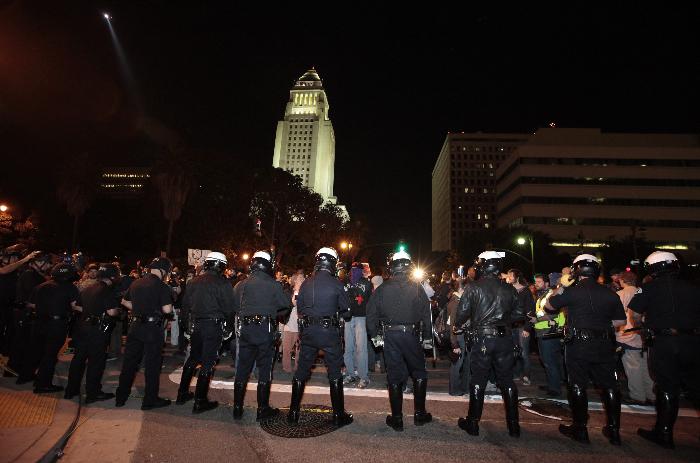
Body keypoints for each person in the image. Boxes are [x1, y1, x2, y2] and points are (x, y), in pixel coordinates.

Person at [546, 254, 626, 445]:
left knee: (578, 385)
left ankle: (580, 429)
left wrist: (561, 287)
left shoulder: (571, 292)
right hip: (604, 344)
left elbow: (549, 306)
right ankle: (614, 431)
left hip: (579, 344)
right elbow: (620, 321)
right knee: (609, 386)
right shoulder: (610, 293)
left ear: (576, 271)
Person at [629, 251, 700, 449]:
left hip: (664, 342)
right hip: (692, 341)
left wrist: (645, 321)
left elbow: (634, 314)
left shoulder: (648, 288)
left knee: (667, 387)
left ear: (652, 268)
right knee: (696, 387)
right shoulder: (693, 288)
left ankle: (664, 432)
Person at [456, 251, 525, 438]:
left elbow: (461, 314)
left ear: (482, 266)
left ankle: (473, 423)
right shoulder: (509, 288)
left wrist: (459, 325)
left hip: (482, 338)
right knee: (507, 381)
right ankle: (514, 426)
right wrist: (503, 321)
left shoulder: (473, 287)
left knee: (478, 379)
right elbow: (520, 314)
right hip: (504, 339)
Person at [287, 247, 353, 427]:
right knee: (334, 373)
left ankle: (293, 413)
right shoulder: (336, 283)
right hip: (329, 332)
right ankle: (338, 415)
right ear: (332, 262)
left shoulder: (306, 283)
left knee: (301, 371)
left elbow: (300, 309)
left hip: (308, 332)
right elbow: (347, 313)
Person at [366, 250, 432, 431]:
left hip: (390, 336)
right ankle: (419, 415)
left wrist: (375, 336)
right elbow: (427, 315)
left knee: (394, 375)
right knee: (419, 372)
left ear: (392, 267)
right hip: (411, 335)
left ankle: (397, 419)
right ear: (409, 266)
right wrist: (427, 337)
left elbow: (371, 315)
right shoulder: (417, 288)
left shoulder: (382, 289)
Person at [232, 251, 290, 421]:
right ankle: (262, 409)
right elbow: (285, 307)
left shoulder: (240, 285)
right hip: (265, 329)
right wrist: (271, 311)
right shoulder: (273, 285)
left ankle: (237, 408)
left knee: (242, 368)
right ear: (267, 265)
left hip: (246, 330)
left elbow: (235, 306)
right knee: (264, 369)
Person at [175, 252, 234, 413]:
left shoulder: (193, 282)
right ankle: (200, 401)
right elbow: (229, 309)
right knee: (208, 362)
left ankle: (182, 393)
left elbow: (185, 308)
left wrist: (187, 328)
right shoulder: (223, 283)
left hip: (197, 325)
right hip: (213, 326)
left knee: (193, 359)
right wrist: (229, 328)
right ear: (221, 265)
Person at [115, 257, 175, 410]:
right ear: (163, 271)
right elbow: (167, 310)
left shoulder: (136, 282)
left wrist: (138, 308)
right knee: (152, 365)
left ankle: (121, 397)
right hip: (152, 328)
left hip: (135, 326)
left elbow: (124, 302)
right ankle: (150, 400)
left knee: (129, 362)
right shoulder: (161, 286)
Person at [65, 263, 121, 403]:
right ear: (113, 277)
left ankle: (71, 390)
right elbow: (112, 312)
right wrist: (117, 311)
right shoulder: (107, 290)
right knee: (96, 362)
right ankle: (93, 393)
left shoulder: (87, 288)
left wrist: (89, 311)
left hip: (82, 328)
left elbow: (75, 306)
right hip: (97, 331)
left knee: (78, 359)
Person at [24, 263, 81, 393]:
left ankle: (26, 376)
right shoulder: (70, 288)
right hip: (56, 325)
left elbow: (31, 304)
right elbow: (75, 306)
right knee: (50, 355)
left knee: (36, 351)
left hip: (39, 323)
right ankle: (43, 384)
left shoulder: (41, 286)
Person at [615, 271, 655, 405]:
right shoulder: (642, 292)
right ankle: (651, 394)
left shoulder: (621, 294)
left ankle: (638, 395)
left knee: (633, 367)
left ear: (622, 281)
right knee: (645, 366)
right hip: (643, 335)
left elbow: (615, 315)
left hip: (627, 334)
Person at [533, 273, 565, 398]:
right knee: (551, 360)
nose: (536, 284)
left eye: (539, 282)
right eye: (536, 282)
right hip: (544, 331)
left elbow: (553, 313)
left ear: (547, 283)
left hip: (549, 332)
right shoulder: (543, 295)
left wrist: (537, 319)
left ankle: (555, 389)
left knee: (549, 361)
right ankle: (553, 383)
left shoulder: (551, 294)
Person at [342, 262, 373, 389]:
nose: (354, 272)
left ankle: (362, 376)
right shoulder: (347, 282)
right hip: (351, 318)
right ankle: (352, 373)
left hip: (358, 317)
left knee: (358, 348)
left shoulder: (364, 283)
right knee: (352, 348)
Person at [506, 268, 535, 386]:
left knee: (524, 352)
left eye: (511, 276)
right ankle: (516, 373)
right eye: (508, 276)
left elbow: (530, 311)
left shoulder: (525, 291)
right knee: (514, 351)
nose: (509, 278)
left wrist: (528, 328)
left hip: (522, 325)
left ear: (516, 277)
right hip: (510, 326)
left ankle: (526, 375)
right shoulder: (508, 290)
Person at [447, 277, 470, 396]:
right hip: (458, 337)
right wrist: (454, 343)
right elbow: (452, 324)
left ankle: (461, 387)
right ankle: (454, 390)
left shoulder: (456, 299)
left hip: (460, 336)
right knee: (457, 364)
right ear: (461, 288)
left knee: (460, 363)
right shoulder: (456, 301)